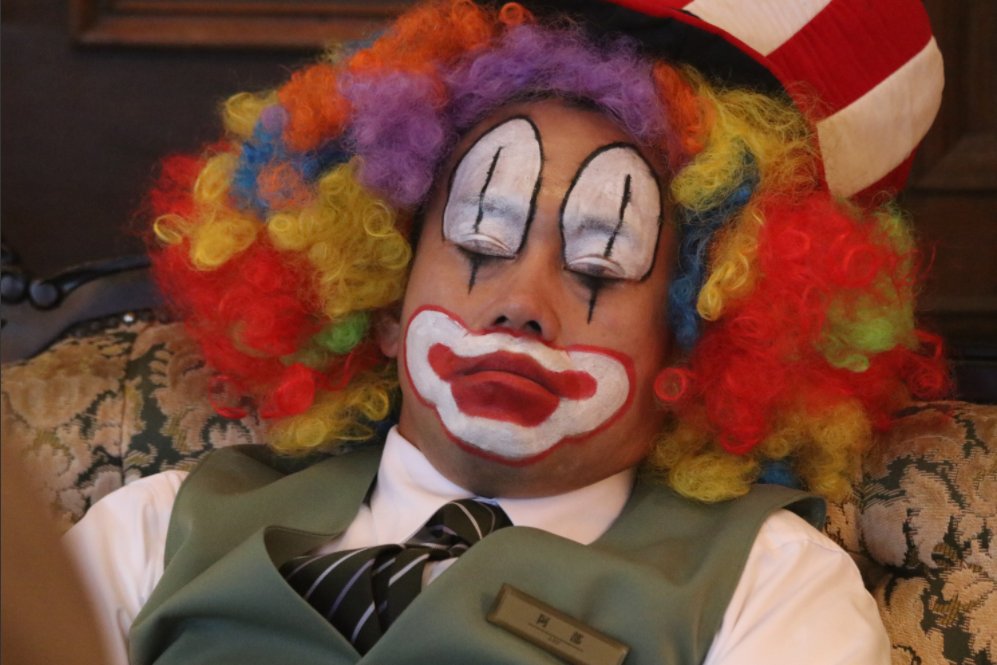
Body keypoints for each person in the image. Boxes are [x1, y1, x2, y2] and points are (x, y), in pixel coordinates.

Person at [64, 1, 950, 663]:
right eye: (480, 241)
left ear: (692, 348)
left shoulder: (769, 585)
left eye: (600, 264)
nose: (520, 302)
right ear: (384, 299)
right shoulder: (155, 530)